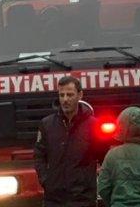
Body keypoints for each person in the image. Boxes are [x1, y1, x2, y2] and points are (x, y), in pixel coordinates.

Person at [33, 76, 104, 206]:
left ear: (80, 95)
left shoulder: (93, 125)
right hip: (53, 199)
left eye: (70, 95)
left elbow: (104, 158)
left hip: (83, 199)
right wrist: (46, 181)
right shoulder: (46, 124)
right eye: (62, 95)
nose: (65, 99)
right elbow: (39, 156)